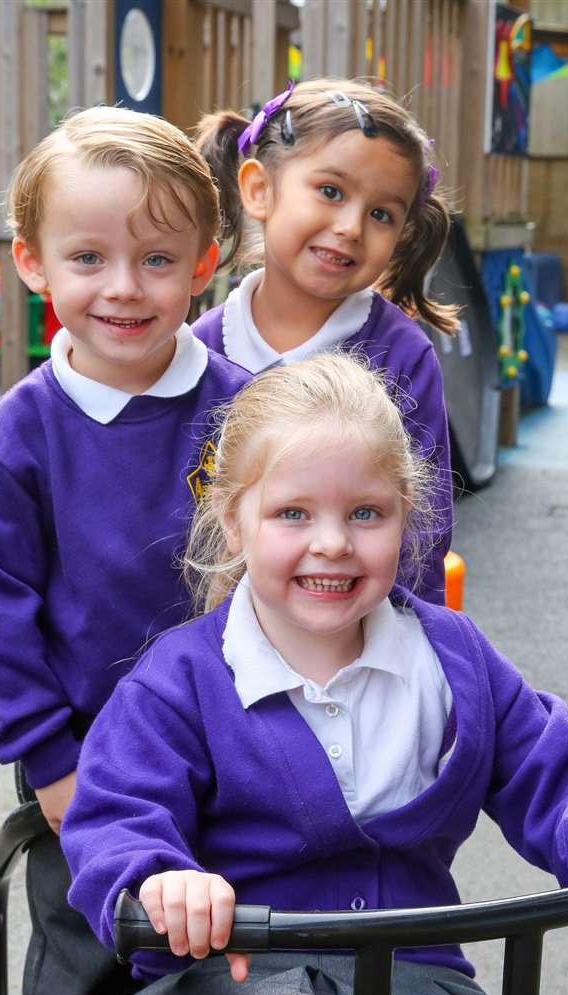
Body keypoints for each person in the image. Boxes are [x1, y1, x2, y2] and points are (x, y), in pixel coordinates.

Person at [61, 352, 568, 995]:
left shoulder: (451, 658)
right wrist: (158, 879)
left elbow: (550, 761)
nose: (332, 541)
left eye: (365, 513)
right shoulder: (179, 682)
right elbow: (116, 815)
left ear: (406, 516)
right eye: (293, 513)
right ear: (234, 522)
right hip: (236, 985)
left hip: (418, 987)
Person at [0, 105, 248, 995]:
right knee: (92, 968)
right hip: (86, 755)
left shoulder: (246, 411)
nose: (124, 289)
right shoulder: (20, 437)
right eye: (88, 258)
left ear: (205, 262)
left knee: (233, 951)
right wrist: (50, 767)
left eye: (157, 260)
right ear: (33, 263)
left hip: (233, 743)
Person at [193, 78, 458, 605]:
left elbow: (424, 526)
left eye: (382, 213)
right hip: (217, 637)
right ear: (259, 189)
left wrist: (397, 643)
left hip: (353, 631)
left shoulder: (401, 358)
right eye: (330, 192)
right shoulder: (199, 350)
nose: (351, 227)